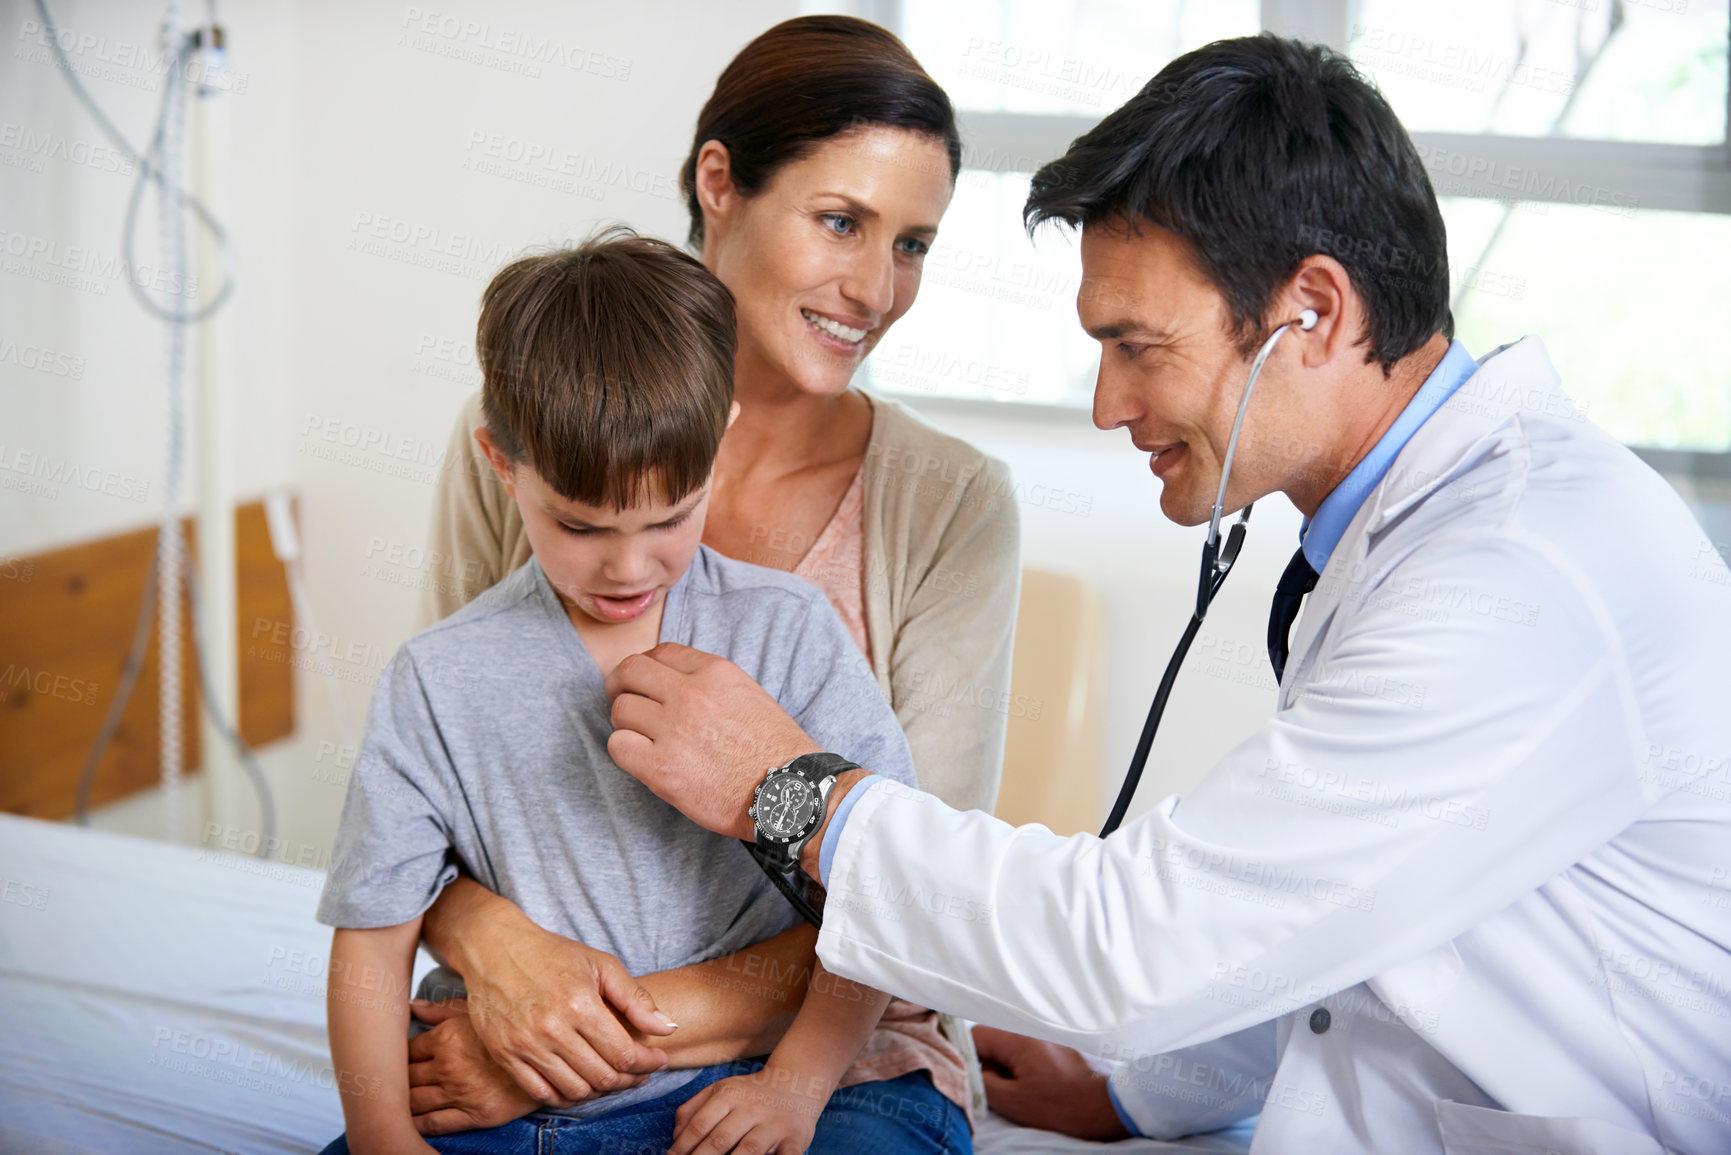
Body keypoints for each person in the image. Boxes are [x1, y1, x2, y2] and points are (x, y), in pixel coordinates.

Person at [599, 34, 1731, 1155]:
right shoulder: (1420, 533)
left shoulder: (1515, 577)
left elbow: (1142, 943)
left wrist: (784, 791)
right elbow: (1321, 910)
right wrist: (1141, 1100)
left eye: (1137, 346)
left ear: (1316, 313)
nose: (1106, 404)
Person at [401, 14, 1016, 1138]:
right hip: (512, 1030)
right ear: (718, 182)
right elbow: (420, 790)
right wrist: (498, 963)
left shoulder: (952, 503)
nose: (877, 289)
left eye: (914, 244)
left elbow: (923, 890)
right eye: (842, 222)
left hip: (844, 1065)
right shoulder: (519, 441)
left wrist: (577, 1046)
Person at [316, 233, 969, 1154]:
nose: (628, 565)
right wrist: (383, 1136)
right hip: (520, 1106)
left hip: (764, 1077)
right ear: (502, 465)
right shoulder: (436, 677)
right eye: (579, 525)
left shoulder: (789, 631)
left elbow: (877, 892)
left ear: (719, 439)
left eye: (669, 517)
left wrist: (795, 1085)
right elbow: (372, 935)